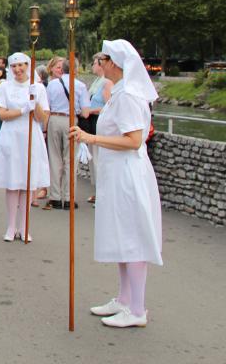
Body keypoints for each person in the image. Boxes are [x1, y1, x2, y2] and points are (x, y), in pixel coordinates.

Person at [70, 39, 162, 328]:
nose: (102, 61)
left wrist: (91, 138)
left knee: (133, 238)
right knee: (123, 236)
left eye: (105, 57)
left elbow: (134, 140)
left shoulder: (128, 96)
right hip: (117, 173)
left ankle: (137, 308)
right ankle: (125, 299)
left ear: (116, 63)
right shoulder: (121, 92)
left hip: (127, 176)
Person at [0, 53, 50, 242]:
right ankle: (11, 225)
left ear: (28, 66)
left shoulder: (38, 87)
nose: (18, 70)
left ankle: (24, 226)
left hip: (31, 136)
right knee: (13, 183)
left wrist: (35, 102)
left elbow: (43, 119)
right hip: (11, 136)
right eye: (14, 66)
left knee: (27, 183)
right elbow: (3, 114)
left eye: (21, 65)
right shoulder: (5, 86)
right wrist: (22, 110)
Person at [44, 58, 91, 210]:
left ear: (62, 69)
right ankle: (69, 197)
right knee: (70, 160)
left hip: (55, 119)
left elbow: (47, 106)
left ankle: (55, 197)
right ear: (76, 70)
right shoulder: (81, 86)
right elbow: (85, 112)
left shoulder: (52, 84)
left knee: (55, 158)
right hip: (72, 121)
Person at [84, 52, 114, 204]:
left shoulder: (106, 83)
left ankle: (102, 193)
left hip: (97, 123)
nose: (92, 66)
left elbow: (109, 107)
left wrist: (91, 110)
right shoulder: (97, 81)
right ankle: (97, 190)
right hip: (91, 123)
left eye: (95, 63)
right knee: (93, 160)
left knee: (97, 159)